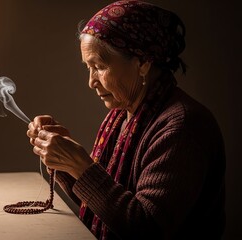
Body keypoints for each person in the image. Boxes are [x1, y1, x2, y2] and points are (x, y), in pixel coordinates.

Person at [27, 1, 225, 239]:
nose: (91, 82)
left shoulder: (182, 127)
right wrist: (65, 162)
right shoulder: (124, 114)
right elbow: (104, 206)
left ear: (142, 62)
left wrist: (81, 166)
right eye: (88, 68)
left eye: (99, 66)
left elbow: (145, 228)